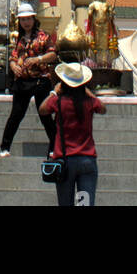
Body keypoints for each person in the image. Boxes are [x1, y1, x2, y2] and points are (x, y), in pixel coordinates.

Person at [39, 61, 106, 207]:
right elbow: (102, 107)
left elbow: (42, 109)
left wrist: (54, 92)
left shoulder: (58, 102)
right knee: (85, 203)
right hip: (87, 160)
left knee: (65, 203)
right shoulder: (89, 103)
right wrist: (87, 91)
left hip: (65, 160)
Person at [0, 4, 58, 157]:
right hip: (22, 81)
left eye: (28, 19)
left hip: (40, 80)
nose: (26, 22)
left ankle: (54, 147)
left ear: (33, 19)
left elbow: (53, 55)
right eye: (23, 19)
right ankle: (5, 147)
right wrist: (13, 66)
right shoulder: (18, 39)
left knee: (45, 114)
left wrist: (38, 59)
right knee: (16, 114)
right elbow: (12, 57)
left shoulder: (43, 36)